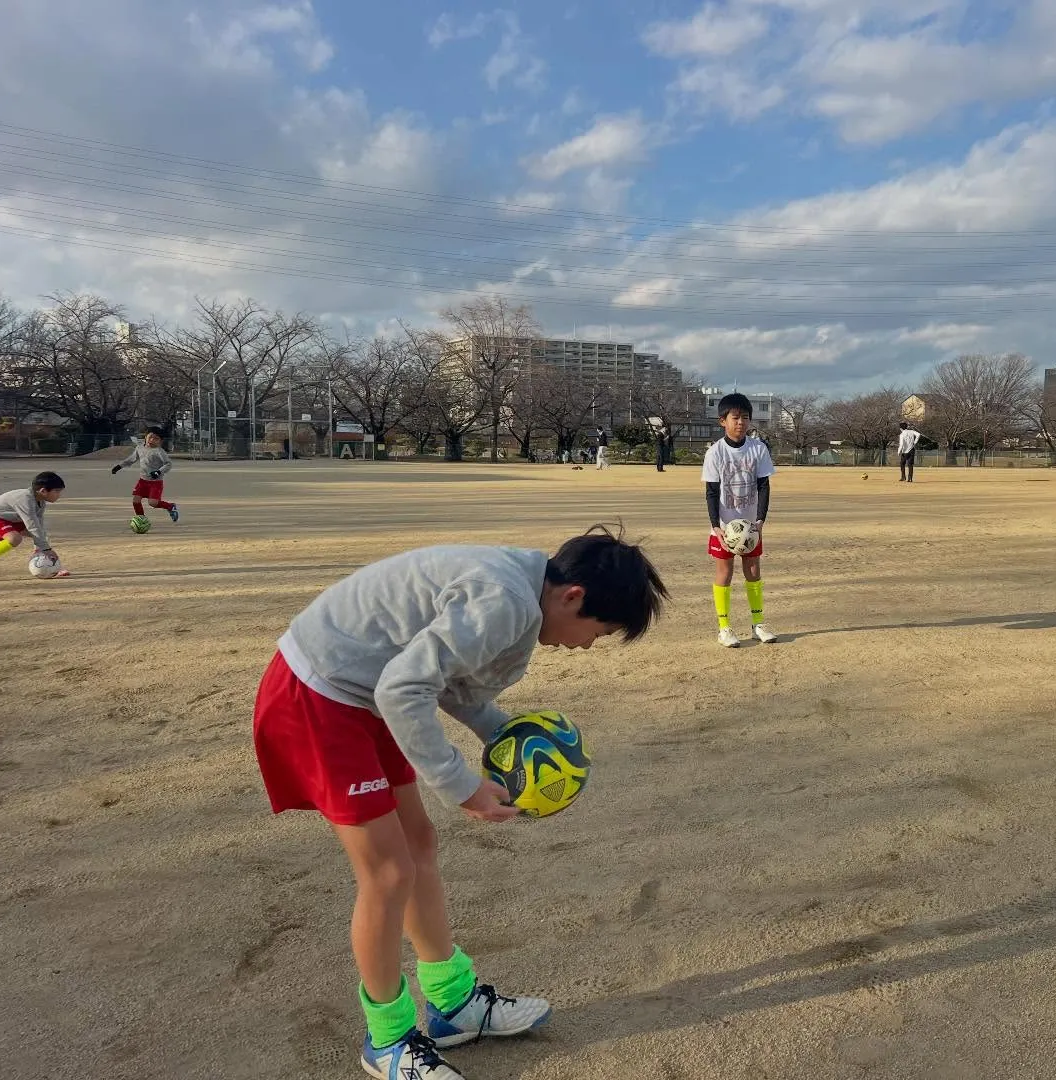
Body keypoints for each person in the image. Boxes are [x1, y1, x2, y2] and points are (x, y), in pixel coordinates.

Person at [252, 527, 668, 1079]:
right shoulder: (504, 600)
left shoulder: (523, 588)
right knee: (388, 873)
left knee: (419, 844)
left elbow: (442, 680)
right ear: (574, 597)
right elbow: (404, 689)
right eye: (599, 631)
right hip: (321, 693)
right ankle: (388, 1040)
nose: (588, 645)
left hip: (366, 693)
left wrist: (498, 731)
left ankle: (453, 1004)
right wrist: (460, 784)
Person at [702, 393, 778, 648]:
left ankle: (758, 624)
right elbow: (711, 491)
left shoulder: (758, 448)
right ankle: (724, 627)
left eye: (745, 417)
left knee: (754, 570)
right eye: (735, 418)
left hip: (750, 526)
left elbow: (764, 486)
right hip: (725, 527)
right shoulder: (715, 452)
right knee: (724, 572)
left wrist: (759, 521)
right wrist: (716, 526)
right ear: (722, 420)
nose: (741, 423)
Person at [0, 471, 70, 577]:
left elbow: (38, 527)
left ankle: (52, 566)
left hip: (11, 520)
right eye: (57, 491)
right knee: (14, 539)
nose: (59, 495)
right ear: (43, 491)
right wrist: (46, 549)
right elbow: (32, 525)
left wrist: (41, 549)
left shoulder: (40, 501)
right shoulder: (25, 499)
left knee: (42, 535)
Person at [112, 427, 179, 524]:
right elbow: (131, 459)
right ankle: (141, 519)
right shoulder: (139, 448)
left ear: (160, 441)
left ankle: (170, 506)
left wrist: (159, 472)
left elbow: (168, 464)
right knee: (136, 501)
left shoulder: (159, 451)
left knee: (153, 503)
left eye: (156, 439)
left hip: (155, 483)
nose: (152, 440)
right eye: (150, 437)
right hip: (142, 481)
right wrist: (119, 466)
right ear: (145, 437)